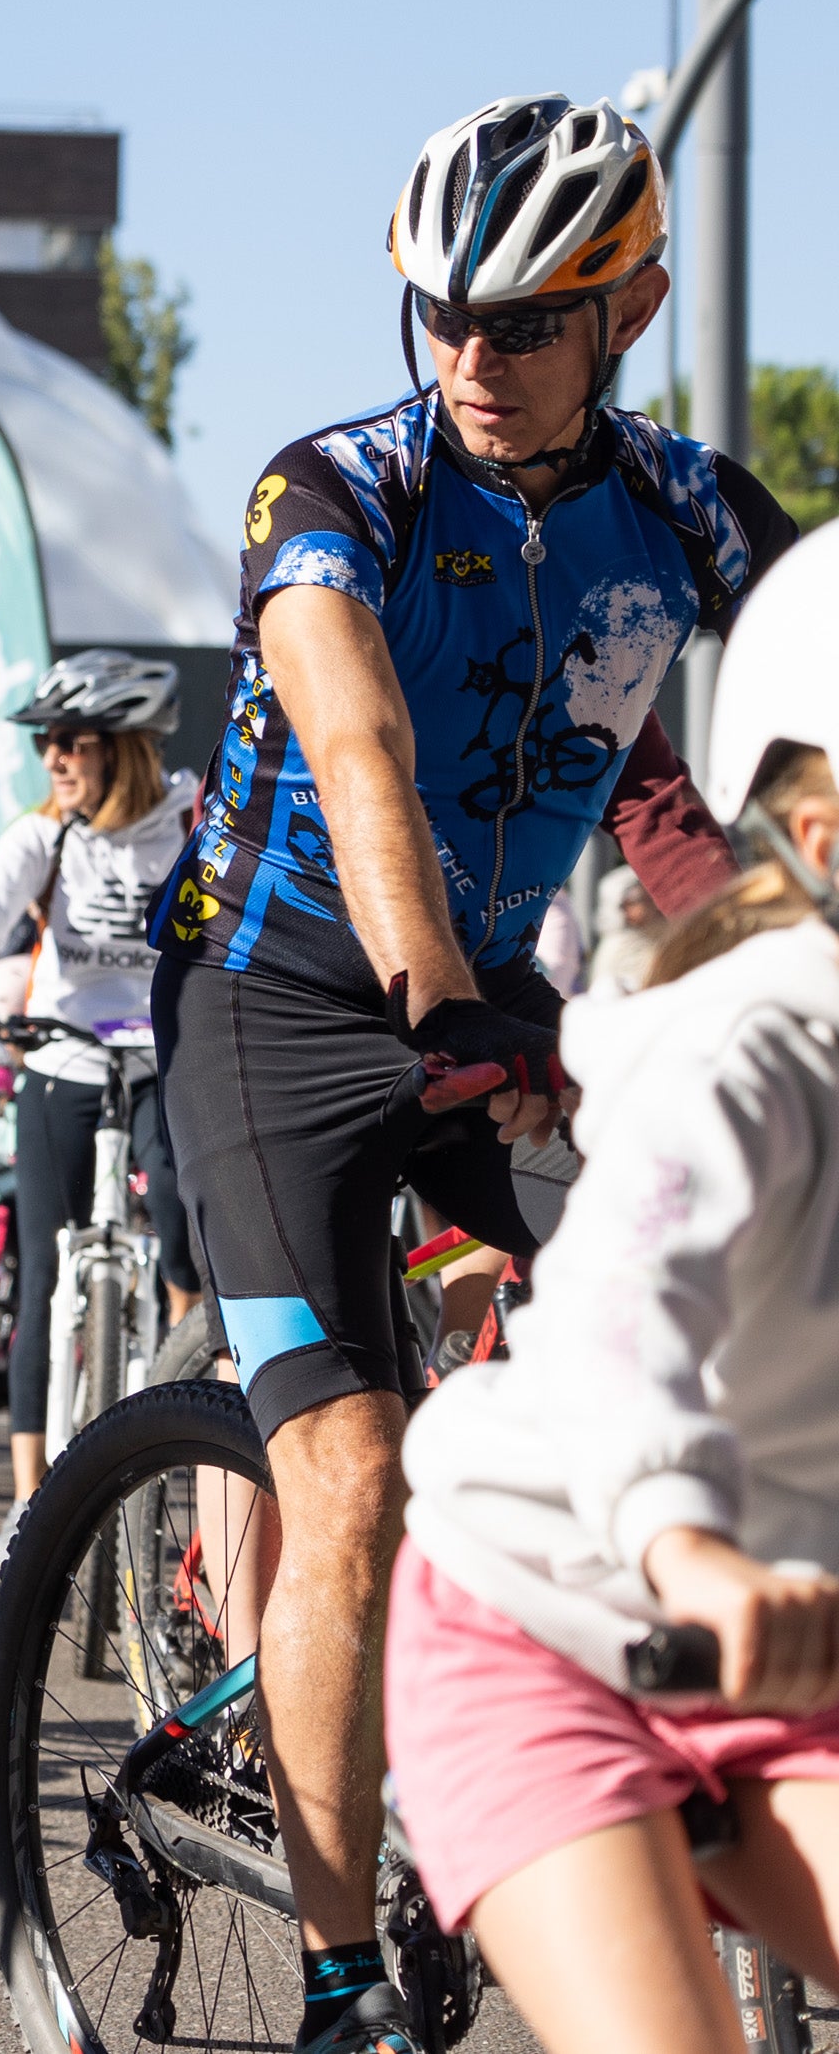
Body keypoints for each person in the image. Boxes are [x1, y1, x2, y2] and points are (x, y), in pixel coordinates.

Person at [152, 95, 779, 2054]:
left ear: (630, 308)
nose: (466, 358)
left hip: (497, 999)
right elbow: (352, 746)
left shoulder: (689, 509)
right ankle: (340, 1985)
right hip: (279, 999)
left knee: (721, 1347)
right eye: (435, 314)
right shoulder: (333, 486)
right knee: (345, 1476)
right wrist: (432, 986)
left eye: (519, 321)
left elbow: (745, 785)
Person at [383, 530, 839, 2054]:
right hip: (554, 1618)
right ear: (824, 834)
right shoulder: (750, 1049)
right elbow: (618, 1316)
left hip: (788, 1642)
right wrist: (693, 1551)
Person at [0, 650, 203, 1562]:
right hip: (64, 1054)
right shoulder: (44, 837)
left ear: (123, 747)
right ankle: (29, 1500)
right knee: (44, 1270)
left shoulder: (196, 818)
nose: (53, 757)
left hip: (164, 1058)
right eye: (46, 742)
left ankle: (183, 1423)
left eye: (69, 741)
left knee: (184, 1235)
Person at [587, 866, 663, 997]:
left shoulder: (663, 933)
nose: (652, 903)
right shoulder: (615, 949)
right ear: (622, 907)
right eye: (641, 899)